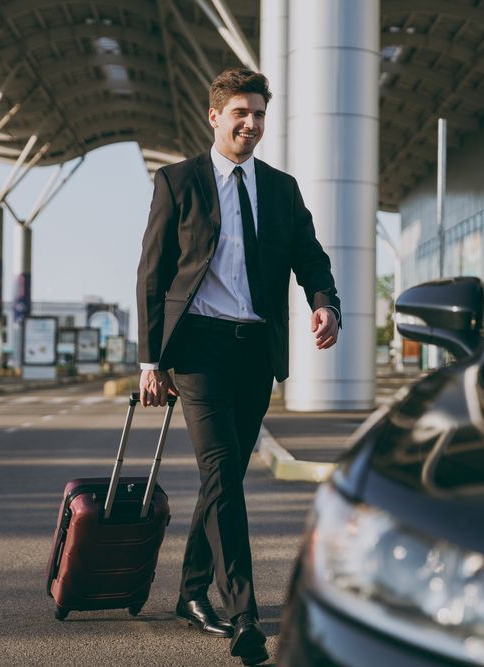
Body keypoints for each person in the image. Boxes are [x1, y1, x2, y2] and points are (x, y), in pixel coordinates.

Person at [135, 67, 340, 666]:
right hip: (196, 351)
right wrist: (151, 359)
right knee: (222, 472)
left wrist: (324, 303)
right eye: (240, 114)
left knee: (221, 479)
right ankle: (245, 613)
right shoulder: (178, 182)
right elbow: (152, 274)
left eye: (258, 115)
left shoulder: (280, 189)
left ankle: (190, 592)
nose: (251, 124)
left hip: (255, 351)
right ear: (214, 116)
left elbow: (311, 255)